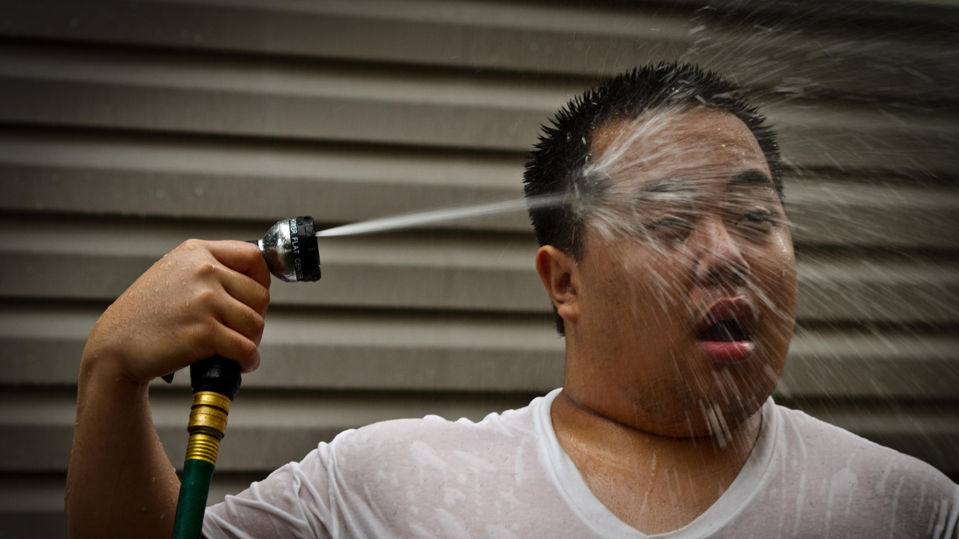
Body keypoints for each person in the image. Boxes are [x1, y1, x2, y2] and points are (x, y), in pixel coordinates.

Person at [67, 63, 958, 538]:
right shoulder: (392, 484)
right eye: (672, 220)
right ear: (562, 281)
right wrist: (112, 372)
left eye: (756, 216)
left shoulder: (903, 509)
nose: (725, 254)